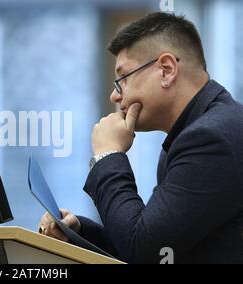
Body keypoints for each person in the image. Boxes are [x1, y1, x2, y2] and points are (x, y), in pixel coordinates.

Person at [38, 12, 243, 264]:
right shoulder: (192, 133)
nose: (115, 96)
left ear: (166, 70)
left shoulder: (211, 139)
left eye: (122, 79)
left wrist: (108, 156)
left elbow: (146, 251)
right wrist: (79, 232)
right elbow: (158, 243)